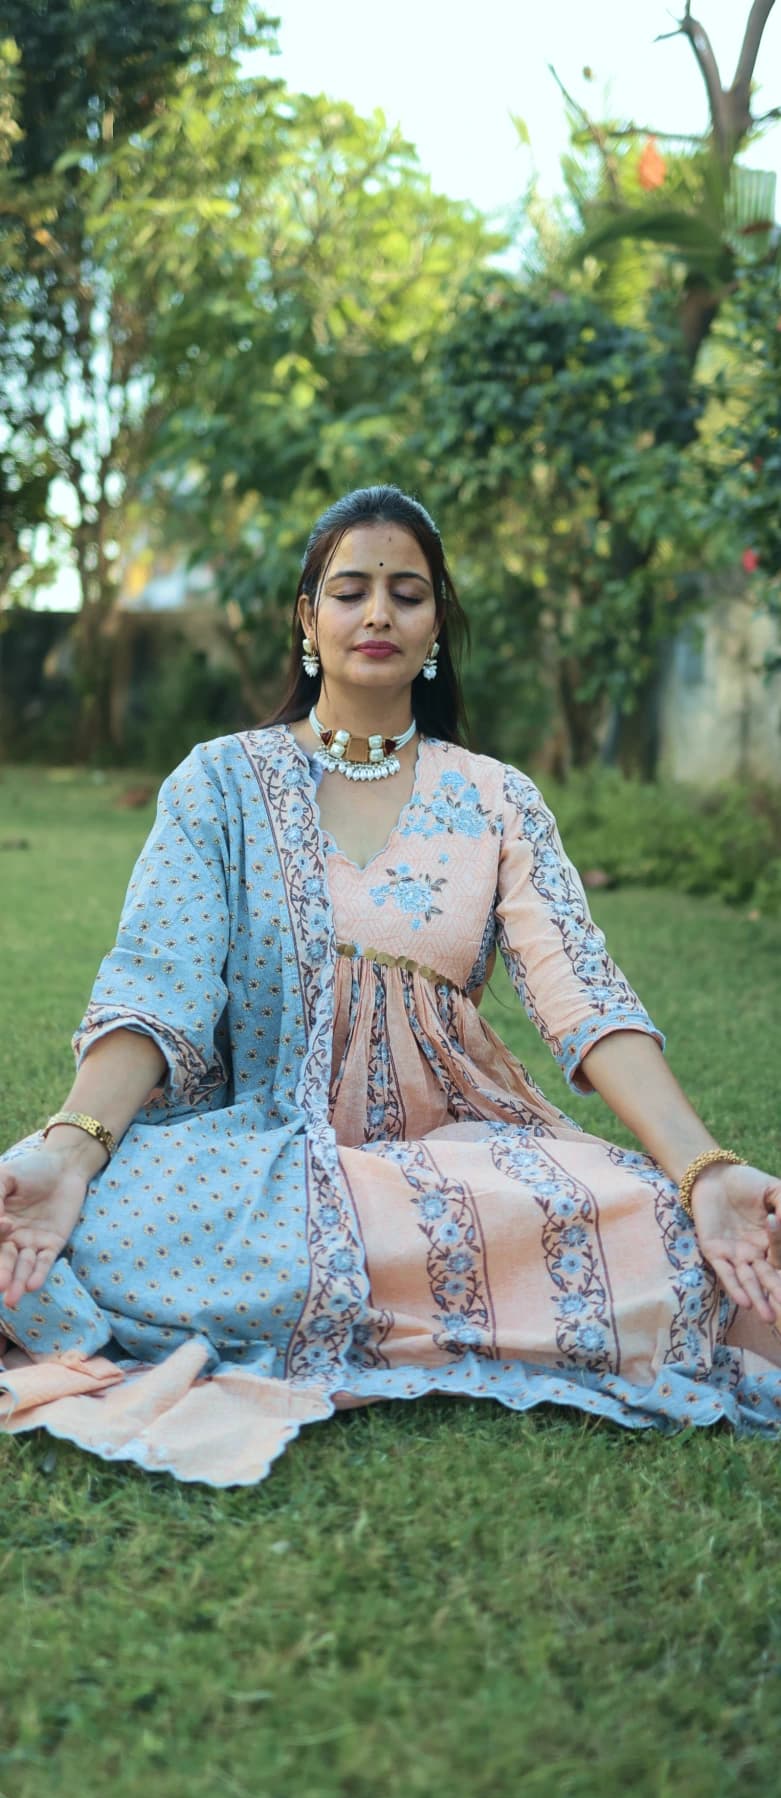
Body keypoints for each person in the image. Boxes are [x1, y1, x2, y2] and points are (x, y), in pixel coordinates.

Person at [1, 485, 780, 1487]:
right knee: (79, 1231)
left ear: (436, 625)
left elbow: (582, 997)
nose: (377, 614)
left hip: (457, 1158)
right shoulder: (221, 783)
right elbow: (159, 984)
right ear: (308, 617)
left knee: (674, 1235)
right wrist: (74, 1149)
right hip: (259, 1164)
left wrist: (703, 1170)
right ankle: (428, 1297)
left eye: (406, 593)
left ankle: (349, 1289)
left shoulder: (497, 798)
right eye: (351, 590)